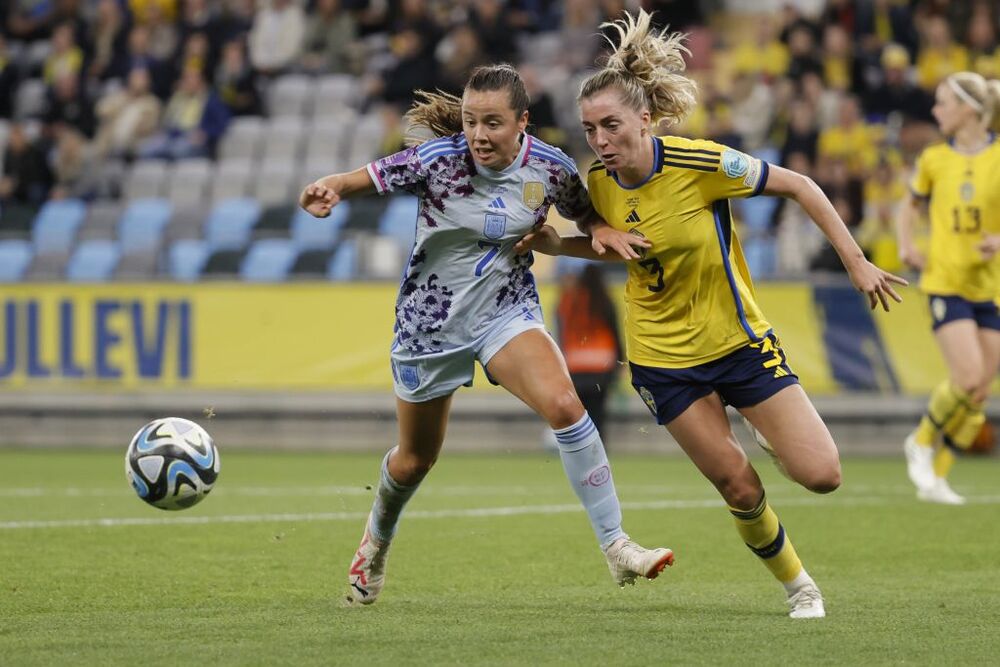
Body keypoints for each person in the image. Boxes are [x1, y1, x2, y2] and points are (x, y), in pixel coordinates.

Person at [517, 10, 906, 619]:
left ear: (644, 120)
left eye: (612, 126)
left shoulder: (701, 166)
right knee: (739, 485)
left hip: (739, 343)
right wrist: (557, 245)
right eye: (590, 130)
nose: (600, 141)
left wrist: (856, 262)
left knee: (823, 474)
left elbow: (802, 184)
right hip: (663, 361)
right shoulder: (599, 186)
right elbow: (610, 246)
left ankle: (759, 421)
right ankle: (800, 586)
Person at [299, 64, 672, 606]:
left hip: (505, 311)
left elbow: (585, 216)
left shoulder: (551, 167)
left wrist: (602, 230)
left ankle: (616, 545)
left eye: (492, 123)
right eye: (471, 121)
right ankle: (375, 544)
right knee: (414, 460)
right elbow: (370, 177)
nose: (478, 135)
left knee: (568, 406)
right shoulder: (440, 159)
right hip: (430, 325)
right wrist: (331, 186)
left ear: (522, 122)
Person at [896, 71, 1000, 505]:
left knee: (980, 390)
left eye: (942, 103)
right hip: (945, 280)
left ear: (969, 110)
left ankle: (937, 478)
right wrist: (907, 245)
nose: (935, 111)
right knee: (969, 376)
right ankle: (920, 442)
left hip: (989, 287)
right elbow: (909, 206)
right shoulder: (935, 158)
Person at [555, 262, 624, 443]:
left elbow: (561, 331)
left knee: (579, 417)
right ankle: (600, 456)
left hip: (575, 365)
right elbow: (615, 333)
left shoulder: (568, 299)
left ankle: (582, 453)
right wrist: (620, 363)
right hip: (602, 366)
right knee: (598, 414)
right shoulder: (605, 299)